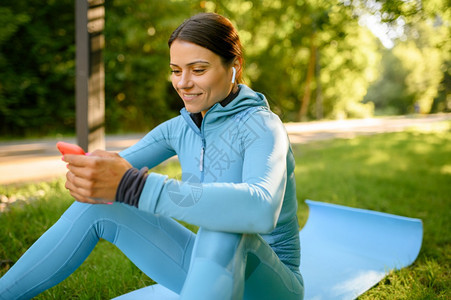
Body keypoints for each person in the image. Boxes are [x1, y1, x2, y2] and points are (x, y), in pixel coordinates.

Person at [0, 13, 304, 299]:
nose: (183, 83)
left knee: (224, 226)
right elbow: (118, 172)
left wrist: (137, 187)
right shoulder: (178, 128)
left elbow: (260, 208)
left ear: (233, 65)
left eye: (198, 70)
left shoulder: (262, 125)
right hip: (211, 267)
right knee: (99, 208)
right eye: (175, 71)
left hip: (271, 286)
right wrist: (92, 173)